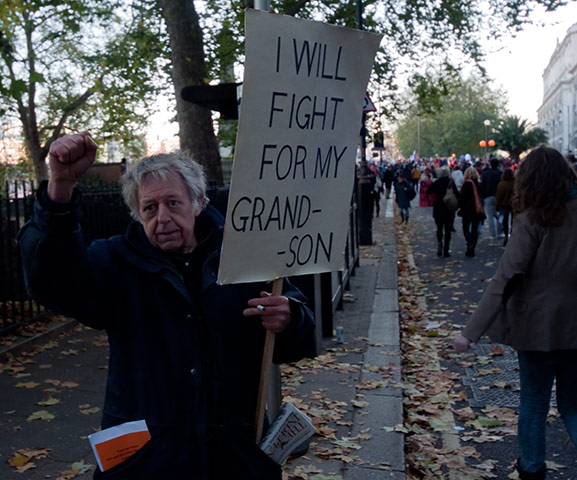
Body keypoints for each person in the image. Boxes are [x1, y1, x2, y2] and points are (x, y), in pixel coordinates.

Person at [18, 132, 316, 480]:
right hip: (147, 460)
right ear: (136, 214)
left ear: (198, 202)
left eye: (173, 203)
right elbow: (53, 281)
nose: (162, 218)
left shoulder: (243, 259)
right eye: (149, 207)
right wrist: (60, 191)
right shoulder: (116, 262)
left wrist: (291, 318)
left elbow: (298, 333)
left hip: (235, 455)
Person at [453, 146, 577, 480]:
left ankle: (533, 469)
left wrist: (470, 332)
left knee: (534, 406)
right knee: (573, 405)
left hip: (539, 328)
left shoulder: (533, 219)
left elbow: (506, 276)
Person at [427, 167, 458, 257]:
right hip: (448, 208)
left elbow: (428, 191)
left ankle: (439, 244)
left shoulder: (436, 183)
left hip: (438, 208)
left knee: (439, 228)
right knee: (448, 229)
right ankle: (446, 248)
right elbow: (457, 194)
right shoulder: (451, 183)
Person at [458, 166, 485, 257]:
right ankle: (472, 246)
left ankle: (469, 242)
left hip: (467, 209)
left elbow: (462, 198)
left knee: (465, 228)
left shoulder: (466, 184)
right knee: (475, 229)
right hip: (477, 209)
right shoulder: (479, 184)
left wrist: (459, 206)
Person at [480, 157, 502, 238]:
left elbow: (482, 184)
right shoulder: (500, 173)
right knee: (499, 214)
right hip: (498, 196)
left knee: (490, 216)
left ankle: (492, 234)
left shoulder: (486, 173)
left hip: (488, 195)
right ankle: (500, 231)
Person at [495, 168, 515, 245]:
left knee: (505, 222)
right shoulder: (515, 183)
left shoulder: (501, 184)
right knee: (513, 222)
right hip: (513, 205)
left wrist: (497, 206)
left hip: (504, 205)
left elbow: (498, 197)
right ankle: (512, 236)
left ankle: (506, 237)